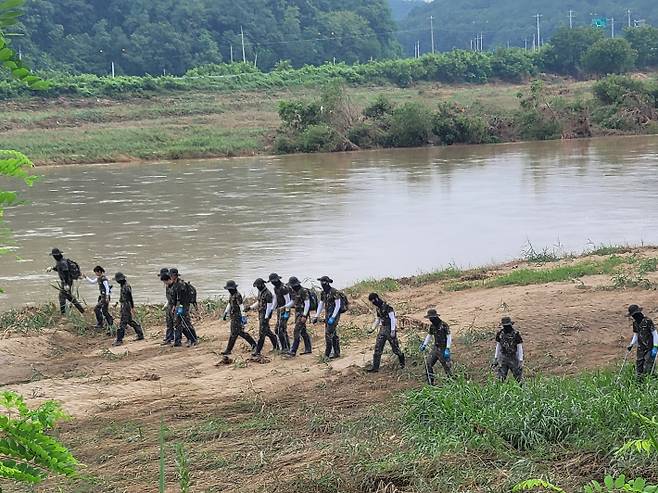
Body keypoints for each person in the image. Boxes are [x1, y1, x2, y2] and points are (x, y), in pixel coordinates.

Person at [366, 293, 405, 372]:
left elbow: (393, 319)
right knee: (378, 348)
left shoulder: (388, 307)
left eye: (373, 300)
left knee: (395, 348)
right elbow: (378, 319)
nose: (373, 302)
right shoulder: (378, 309)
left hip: (390, 328)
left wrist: (393, 330)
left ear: (376, 298)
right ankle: (375, 367)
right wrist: (373, 328)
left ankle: (402, 364)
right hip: (382, 328)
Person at [220, 280, 256, 355]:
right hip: (233, 316)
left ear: (233, 288)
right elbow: (229, 304)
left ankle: (228, 350)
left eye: (230, 289)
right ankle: (254, 344)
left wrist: (243, 317)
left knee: (234, 333)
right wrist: (225, 313)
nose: (229, 290)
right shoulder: (231, 295)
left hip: (237, 316)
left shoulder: (237, 295)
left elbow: (241, 306)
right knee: (239, 333)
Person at [245, 278, 278, 356]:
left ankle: (258, 351)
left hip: (265, 314)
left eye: (258, 286)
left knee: (262, 333)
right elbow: (259, 301)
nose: (257, 287)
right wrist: (250, 307)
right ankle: (276, 346)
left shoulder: (268, 293)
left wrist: (266, 316)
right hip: (261, 314)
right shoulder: (260, 292)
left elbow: (269, 306)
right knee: (267, 332)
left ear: (262, 284)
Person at [313, 276, 343, 359]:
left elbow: (338, 305)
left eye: (323, 282)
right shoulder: (323, 293)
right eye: (321, 282)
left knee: (328, 334)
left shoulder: (334, 292)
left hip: (334, 315)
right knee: (333, 334)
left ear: (327, 283)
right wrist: (316, 316)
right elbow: (321, 304)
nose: (322, 284)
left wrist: (333, 317)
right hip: (327, 315)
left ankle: (327, 354)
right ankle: (337, 352)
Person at [419, 309, 452, 384]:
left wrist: (448, 348)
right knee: (428, 364)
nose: (430, 319)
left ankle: (452, 382)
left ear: (435, 317)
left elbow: (449, 336)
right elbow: (429, 335)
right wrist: (424, 344)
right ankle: (431, 383)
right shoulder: (432, 326)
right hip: (436, 347)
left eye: (431, 318)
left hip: (443, 348)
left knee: (446, 366)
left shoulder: (444, 325)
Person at [48, 248, 84, 315]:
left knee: (63, 297)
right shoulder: (60, 261)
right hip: (65, 282)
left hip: (67, 282)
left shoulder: (63, 262)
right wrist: (52, 268)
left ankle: (63, 314)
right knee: (68, 297)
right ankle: (81, 311)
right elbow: (59, 269)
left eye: (54, 255)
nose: (54, 257)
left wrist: (66, 284)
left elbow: (66, 273)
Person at [166, 269, 197, 347]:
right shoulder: (175, 284)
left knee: (186, 323)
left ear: (174, 276)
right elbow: (175, 298)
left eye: (171, 275)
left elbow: (182, 299)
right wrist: (174, 306)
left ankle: (194, 339)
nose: (170, 277)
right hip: (179, 305)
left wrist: (179, 308)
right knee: (178, 323)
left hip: (183, 305)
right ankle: (181, 340)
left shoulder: (181, 285)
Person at [626, 304, 658, 379]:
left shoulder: (648, 321)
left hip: (650, 347)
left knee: (648, 365)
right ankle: (639, 383)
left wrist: (655, 346)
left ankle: (650, 381)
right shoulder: (635, 323)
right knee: (639, 365)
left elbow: (655, 334)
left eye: (635, 314)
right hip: (641, 348)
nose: (634, 317)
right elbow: (636, 335)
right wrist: (631, 344)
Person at [112, 272, 144, 346]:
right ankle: (140, 334)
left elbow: (130, 298)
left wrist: (132, 307)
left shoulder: (126, 286)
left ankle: (119, 340)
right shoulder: (123, 285)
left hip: (126, 305)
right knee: (130, 321)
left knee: (122, 323)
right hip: (125, 305)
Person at [285, 276, 312, 357]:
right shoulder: (294, 292)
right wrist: (285, 307)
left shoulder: (303, 291)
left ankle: (293, 351)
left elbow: (307, 303)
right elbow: (293, 302)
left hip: (303, 313)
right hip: (297, 313)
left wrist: (304, 315)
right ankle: (308, 349)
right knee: (303, 331)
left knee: (296, 331)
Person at [492, 316, 524, 383]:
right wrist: (496, 358)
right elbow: (498, 346)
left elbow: (519, 347)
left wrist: (520, 360)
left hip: (513, 358)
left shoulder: (515, 334)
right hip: (504, 358)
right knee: (500, 379)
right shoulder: (500, 334)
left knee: (519, 379)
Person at [268, 273, 293, 352]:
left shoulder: (283, 288)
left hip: (285, 310)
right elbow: (275, 299)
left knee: (279, 329)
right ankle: (286, 347)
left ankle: (285, 348)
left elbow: (288, 300)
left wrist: (287, 311)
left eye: (273, 281)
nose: (272, 283)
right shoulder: (276, 288)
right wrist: (272, 309)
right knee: (282, 329)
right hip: (279, 310)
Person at [83, 266, 113, 331]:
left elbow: (107, 288)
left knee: (96, 309)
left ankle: (100, 323)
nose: (95, 274)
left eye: (96, 272)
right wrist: (86, 277)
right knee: (104, 311)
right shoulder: (99, 278)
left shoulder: (104, 279)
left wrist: (107, 296)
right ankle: (110, 322)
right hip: (102, 296)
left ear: (99, 271)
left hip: (105, 297)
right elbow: (92, 282)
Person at [158, 268, 175, 345]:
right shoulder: (167, 285)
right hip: (170, 305)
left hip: (174, 306)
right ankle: (169, 337)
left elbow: (176, 297)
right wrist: (167, 304)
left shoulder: (174, 285)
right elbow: (169, 297)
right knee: (169, 322)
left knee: (177, 323)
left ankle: (176, 338)